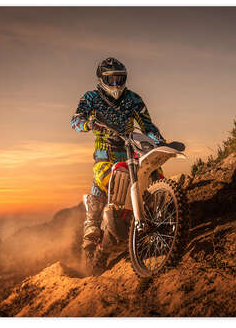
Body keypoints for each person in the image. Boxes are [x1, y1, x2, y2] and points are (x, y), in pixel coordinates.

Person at [70, 57, 165, 255]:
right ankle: (92, 223)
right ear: (101, 79)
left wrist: (159, 140)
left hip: (131, 146)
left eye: (119, 79)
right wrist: (88, 124)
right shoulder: (91, 97)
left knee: (154, 170)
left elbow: (147, 124)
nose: (115, 84)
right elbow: (75, 120)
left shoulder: (133, 98)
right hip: (105, 149)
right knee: (103, 177)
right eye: (111, 79)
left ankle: (163, 212)